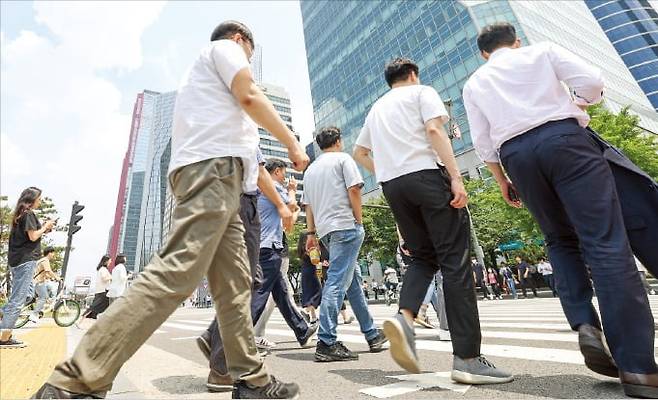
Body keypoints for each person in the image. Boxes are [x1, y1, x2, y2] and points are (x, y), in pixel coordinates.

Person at [34, 20, 308, 399]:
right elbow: (249, 95)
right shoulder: (225, 49)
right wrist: (292, 143)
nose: (248, 59)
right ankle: (76, 379)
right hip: (213, 173)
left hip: (226, 181)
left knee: (235, 287)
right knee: (177, 271)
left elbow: (244, 133)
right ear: (242, 40)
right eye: (250, 52)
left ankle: (252, 380)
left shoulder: (207, 92)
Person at [462, 22, 656, 397]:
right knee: (604, 241)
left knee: (559, 239)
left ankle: (585, 323)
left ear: (484, 53)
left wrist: (502, 179)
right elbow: (594, 82)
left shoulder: (475, 83)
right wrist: (580, 101)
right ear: (515, 42)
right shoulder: (542, 51)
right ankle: (637, 368)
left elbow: (483, 142)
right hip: (565, 140)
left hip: (516, 157)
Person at [353, 57, 512, 383]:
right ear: (413, 74)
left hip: (393, 186)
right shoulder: (421, 91)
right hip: (427, 176)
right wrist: (455, 176)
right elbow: (434, 129)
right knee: (455, 261)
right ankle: (467, 358)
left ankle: (405, 316)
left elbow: (360, 153)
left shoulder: (376, 109)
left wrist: (387, 172)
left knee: (423, 257)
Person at [196, 148, 296, 392]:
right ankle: (221, 368)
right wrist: (286, 203)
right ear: (279, 171)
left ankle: (213, 336)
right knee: (243, 289)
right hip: (242, 209)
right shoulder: (239, 123)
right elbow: (259, 170)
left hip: (215, 200)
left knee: (249, 282)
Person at [304, 126, 387, 362]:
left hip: (325, 231)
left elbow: (308, 205)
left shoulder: (311, 171)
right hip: (346, 225)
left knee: (353, 281)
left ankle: (372, 334)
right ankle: (326, 341)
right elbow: (354, 190)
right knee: (337, 282)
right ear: (338, 141)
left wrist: (311, 232)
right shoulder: (343, 159)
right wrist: (358, 220)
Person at [249, 159, 318, 351]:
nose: (285, 176)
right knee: (260, 294)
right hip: (269, 248)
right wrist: (292, 189)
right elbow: (290, 210)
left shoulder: (258, 189)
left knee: (281, 294)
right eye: (284, 172)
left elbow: (287, 218)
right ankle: (239, 339)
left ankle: (302, 330)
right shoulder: (272, 186)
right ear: (277, 171)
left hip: (262, 247)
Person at [0, 187, 56, 348]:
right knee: (18, 300)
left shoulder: (20, 214)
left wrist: (44, 229)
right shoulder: (29, 213)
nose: (40, 201)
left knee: (28, 295)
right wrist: (45, 226)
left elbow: (30, 236)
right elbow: (33, 237)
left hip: (18, 260)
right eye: (39, 198)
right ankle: (4, 338)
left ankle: (4, 314)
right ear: (31, 199)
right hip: (25, 261)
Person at [76, 255, 112, 328]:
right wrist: (112, 277)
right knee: (94, 307)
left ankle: (85, 322)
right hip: (103, 291)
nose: (110, 262)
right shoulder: (103, 269)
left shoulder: (102, 269)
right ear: (106, 261)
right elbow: (104, 278)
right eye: (110, 260)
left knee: (99, 308)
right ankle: (79, 321)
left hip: (101, 291)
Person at [298, 231, 323, 323]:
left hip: (305, 272)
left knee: (309, 293)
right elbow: (315, 260)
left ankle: (313, 317)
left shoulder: (301, 249)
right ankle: (306, 312)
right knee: (318, 292)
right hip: (312, 272)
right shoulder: (310, 248)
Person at [33, 247, 62, 318]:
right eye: (53, 253)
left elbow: (45, 273)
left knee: (45, 296)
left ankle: (40, 310)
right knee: (43, 297)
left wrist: (52, 278)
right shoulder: (45, 260)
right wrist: (57, 277)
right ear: (49, 253)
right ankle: (34, 315)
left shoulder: (41, 260)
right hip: (38, 282)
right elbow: (48, 271)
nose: (53, 255)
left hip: (38, 281)